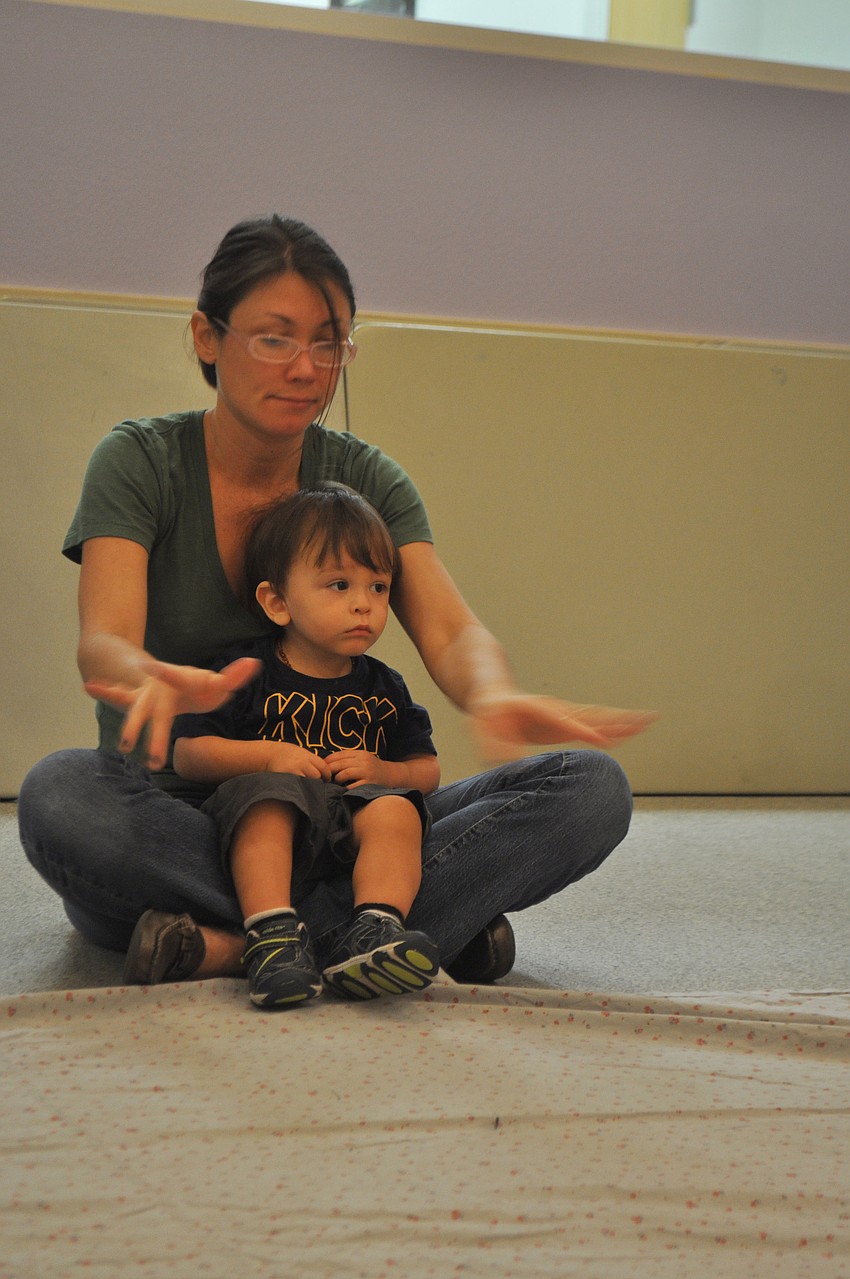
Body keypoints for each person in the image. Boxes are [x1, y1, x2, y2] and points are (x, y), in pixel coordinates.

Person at [18, 214, 654, 991]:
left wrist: (493, 693)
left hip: (349, 816)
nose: (307, 367)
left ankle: (242, 942)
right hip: (181, 815)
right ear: (206, 338)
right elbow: (104, 637)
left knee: (590, 790)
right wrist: (136, 669)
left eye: (330, 341)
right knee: (61, 796)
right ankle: (394, 929)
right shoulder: (139, 460)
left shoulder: (367, 479)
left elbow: (450, 630)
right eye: (275, 337)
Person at [170, 483, 441, 1008]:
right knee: (268, 799)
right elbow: (188, 753)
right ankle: (272, 934)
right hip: (269, 826)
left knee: (399, 813)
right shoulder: (246, 671)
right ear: (277, 602)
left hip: (349, 831)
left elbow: (426, 769)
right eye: (339, 585)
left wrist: (387, 770)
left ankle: (375, 928)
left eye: (379, 588)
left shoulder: (384, 686)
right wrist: (267, 756)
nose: (364, 605)